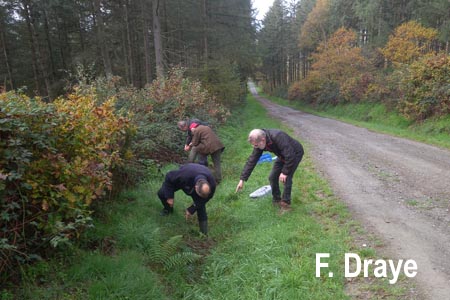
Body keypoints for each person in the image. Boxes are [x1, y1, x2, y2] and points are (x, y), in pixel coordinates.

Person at [235, 129, 304, 212]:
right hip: (282, 155)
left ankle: (286, 205)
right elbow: (252, 160)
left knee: (286, 178)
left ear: (263, 140)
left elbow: (290, 155)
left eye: (256, 145)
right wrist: (242, 179)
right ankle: (277, 200)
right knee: (272, 177)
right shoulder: (260, 142)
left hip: (294, 153)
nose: (255, 147)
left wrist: (285, 172)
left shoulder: (278, 136)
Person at [157, 163, 216, 235]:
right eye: (200, 195)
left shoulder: (212, 184)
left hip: (196, 181)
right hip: (185, 180)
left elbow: (204, 199)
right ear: (196, 188)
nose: (201, 198)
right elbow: (169, 176)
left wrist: (192, 209)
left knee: (200, 207)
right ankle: (168, 210)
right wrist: (169, 197)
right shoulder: (184, 175)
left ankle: (203, 233)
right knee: (162, 193)